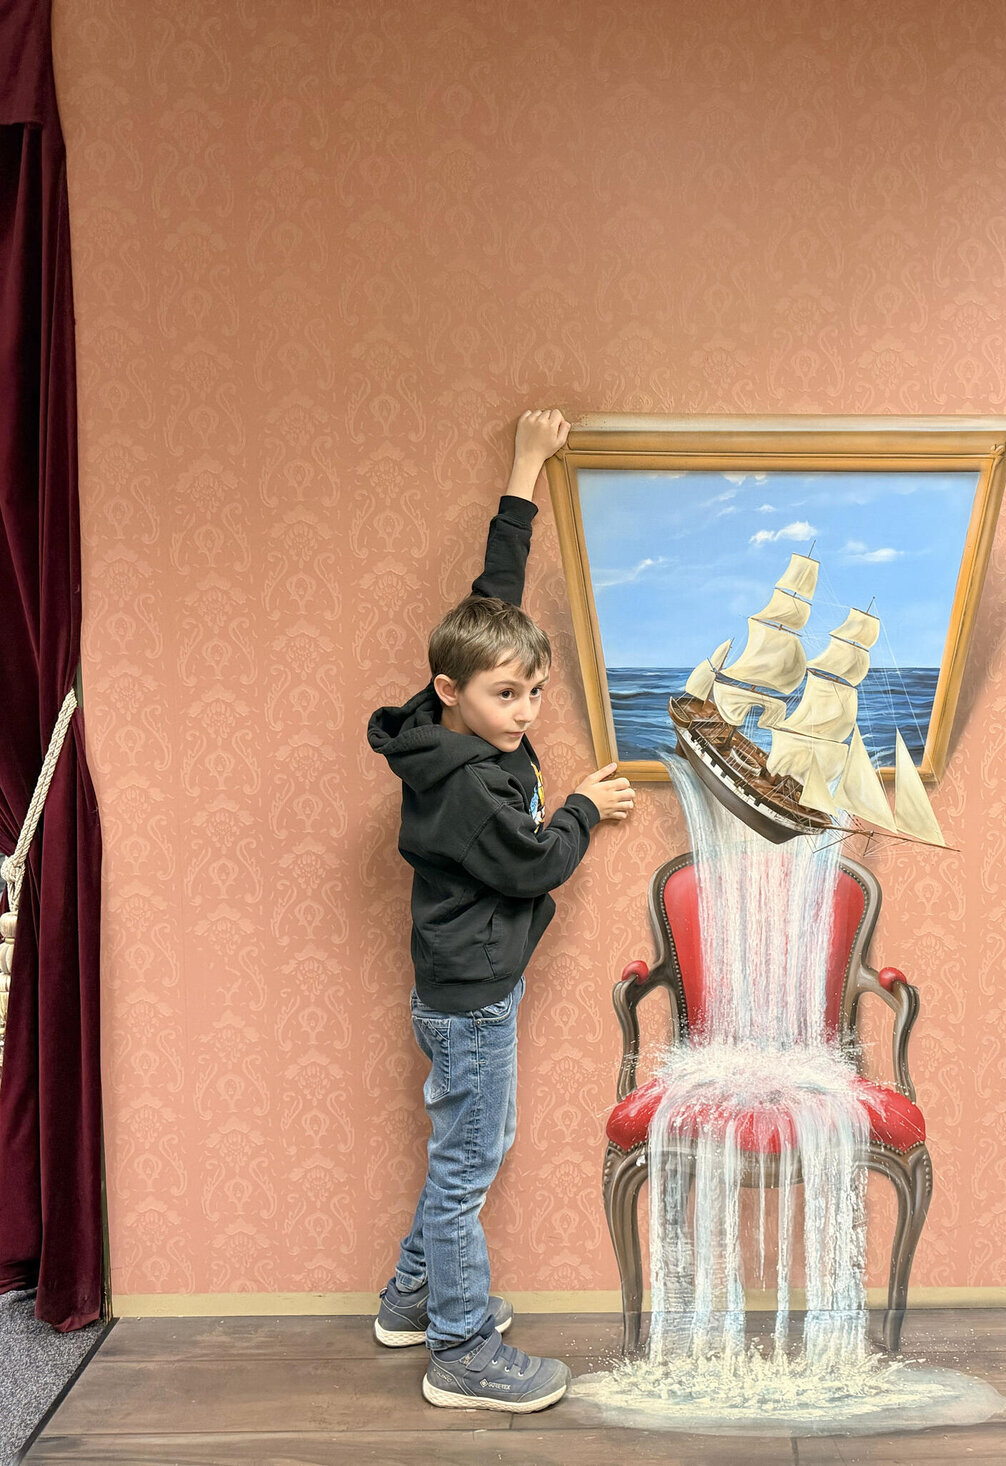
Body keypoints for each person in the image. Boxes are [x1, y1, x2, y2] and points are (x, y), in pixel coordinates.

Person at [365, 408, 635, 1413]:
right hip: (472, 996)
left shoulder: (446, 720)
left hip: (461, 982)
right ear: (450, 689)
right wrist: (583, 806)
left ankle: (414, 1295)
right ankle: (460, 1350)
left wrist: (525, 468)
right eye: (509, 695)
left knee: (466, 1149)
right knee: (469, 1167)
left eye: (536, 692)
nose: (526, 712)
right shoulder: (472, 789)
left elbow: (496, 594)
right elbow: (535, 865)